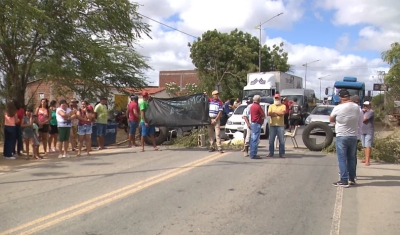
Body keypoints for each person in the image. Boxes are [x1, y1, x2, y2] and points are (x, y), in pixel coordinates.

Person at [330, 89, 360, 187]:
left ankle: (344, 180)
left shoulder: (338, 107)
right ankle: (352, 178)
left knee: (342, 159)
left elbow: (331, 118)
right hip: (353, 136)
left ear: (340, 97)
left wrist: (335, 123)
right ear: (349, 96)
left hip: (342, 135)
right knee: (351, 158)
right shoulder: (356, 107)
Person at [267, 94, 287, 158]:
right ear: (274, 99)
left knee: (281, 141)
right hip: (272, 125)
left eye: (278, 98)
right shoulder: (271, 106)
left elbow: (283, 113)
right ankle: (271, 153)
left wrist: (274, 113)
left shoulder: (283, 106)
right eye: (276, 98)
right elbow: (269, 113)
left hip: (280, 125)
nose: (277, 99)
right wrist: (278, 113)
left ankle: (282, 153)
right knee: (271, 140)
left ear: (280, 99)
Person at [249, 95, 265, 159]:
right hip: (257, 123)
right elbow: (263, 114)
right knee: (255, 139)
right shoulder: (258, 106)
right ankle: (254, 154)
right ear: (258, 100)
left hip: (253, 123)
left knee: (252, 139)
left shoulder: (252, 106)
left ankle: (251, 153)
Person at [361, 101, 374, 166]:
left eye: (367, 105)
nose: (365, 107)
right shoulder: (362, 112)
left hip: (369, 131)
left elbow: (363, 119)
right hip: (362, 131)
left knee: (368, 145)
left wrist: (362, 113)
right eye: (364, 105)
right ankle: (365, 159)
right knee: (364, 146)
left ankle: (368, 161)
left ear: (370, 105)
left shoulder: (371, 112)